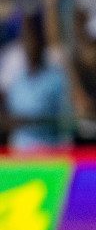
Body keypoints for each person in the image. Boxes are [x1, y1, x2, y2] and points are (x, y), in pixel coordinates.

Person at [2, 20, 67, 152]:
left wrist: (31, 122)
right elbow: (9, 114)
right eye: (26, 42)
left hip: (49, 149)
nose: (30, 46)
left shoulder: (57, 78)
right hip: (19, 150)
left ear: (41, 44)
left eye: (34, 41)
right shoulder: (17, 79)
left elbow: (66, 118)